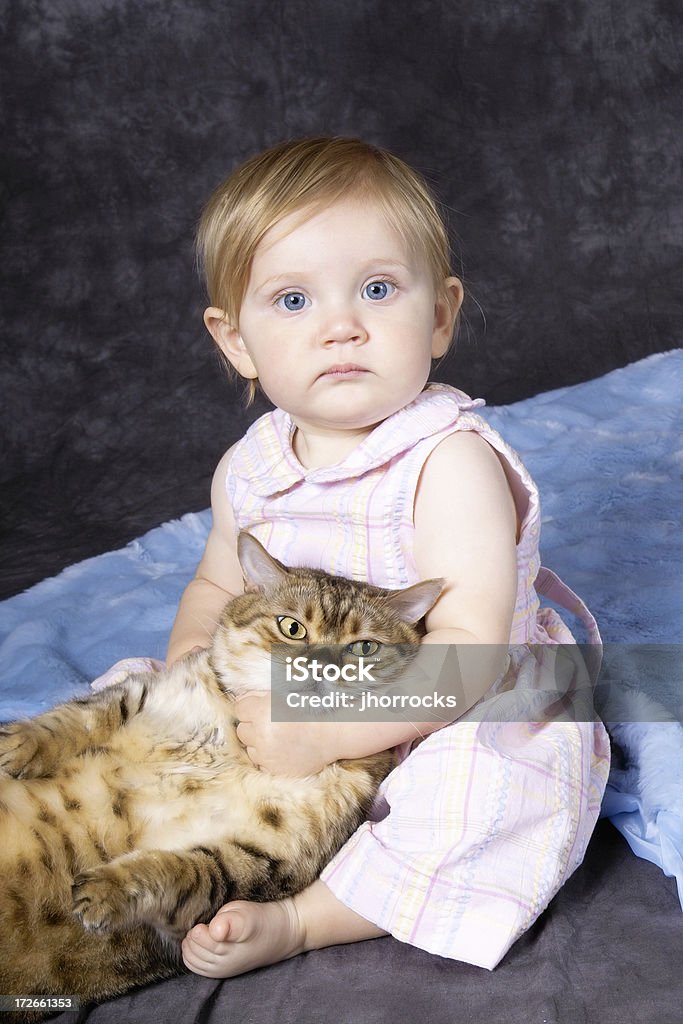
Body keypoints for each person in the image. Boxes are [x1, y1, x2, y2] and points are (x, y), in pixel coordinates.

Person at [96, 136, 610, 975]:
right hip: (284, 693)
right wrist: (193, 672)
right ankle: (143, 846)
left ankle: (309, 917)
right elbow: (217, 582)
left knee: (488, 794)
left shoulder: (447, 464)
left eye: (377, 289)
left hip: (450, 699)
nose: (340, 326)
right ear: (236, 343)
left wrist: (329, 724)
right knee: (127, 704)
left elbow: (471, 657)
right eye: (292, 301)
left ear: (439, 316)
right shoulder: (251, 470)